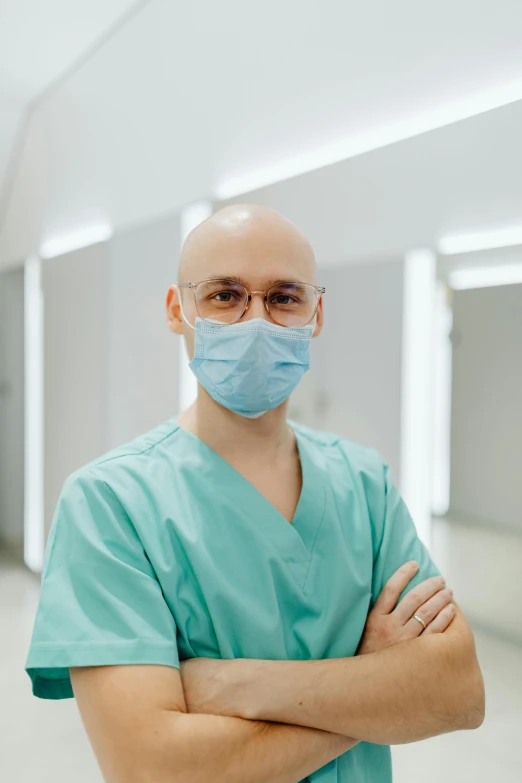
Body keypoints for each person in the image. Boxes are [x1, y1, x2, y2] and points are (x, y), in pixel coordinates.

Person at [25, 204, 485, 783]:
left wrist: (233, 685)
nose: (256, 322)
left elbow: (458, 692)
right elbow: (152, 768)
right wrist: (371, 687)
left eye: (284, 297)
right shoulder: (110, 504)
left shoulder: (365, 483)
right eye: (225, 295)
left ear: (316, 315)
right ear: (178, 310)